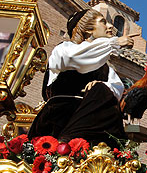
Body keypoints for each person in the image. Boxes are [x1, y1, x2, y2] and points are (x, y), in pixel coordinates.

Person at [28, 9, 135, 146]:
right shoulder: (64, 48)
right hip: (58, 119)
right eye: (103, 22)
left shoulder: (104, 67)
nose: (110, 27)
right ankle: (68, 141)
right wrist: (114, 43)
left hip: (96, 123)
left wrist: (101, 85)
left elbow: (117, 87)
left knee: (102, 89)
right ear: (89, 30)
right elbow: (76, 57)